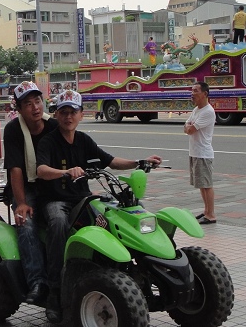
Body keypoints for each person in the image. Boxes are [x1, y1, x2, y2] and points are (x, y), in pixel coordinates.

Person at [35, 89, 161, 323]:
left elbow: (111, 161)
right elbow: (40, 170)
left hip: (83, 198)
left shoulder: (83, 140)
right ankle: (54, 290)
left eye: (73, 112)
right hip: (56, 201)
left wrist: (140, 161)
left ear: (81, 115)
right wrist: (65, 172)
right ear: (56, 115)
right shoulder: (48, 142)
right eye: (63, 112)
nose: (68, 117)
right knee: (58, 222)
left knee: (115, 216)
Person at [3, 81, 59, 304]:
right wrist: (21, 203)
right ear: (19, 109)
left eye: (37, 101)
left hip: (50, 185)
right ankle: (37, 281)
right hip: (25, 186)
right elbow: (15, 169)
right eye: (28, 103)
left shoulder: (54, 126)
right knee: (25, 224)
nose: (35, 107)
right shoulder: (13, 130)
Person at [183, 82, 216, 225]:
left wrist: (189, 127)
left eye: (195, 91)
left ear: (205, 94)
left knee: (207, 184)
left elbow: (190, 130)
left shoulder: (208, 111)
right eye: (192, 90)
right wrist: (188, 127)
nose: (192, 93)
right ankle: (206, 211)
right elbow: (185, 127)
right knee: (201, 184)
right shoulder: (197, 109)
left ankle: (211, 214)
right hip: (195, 152)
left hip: (203, 153)